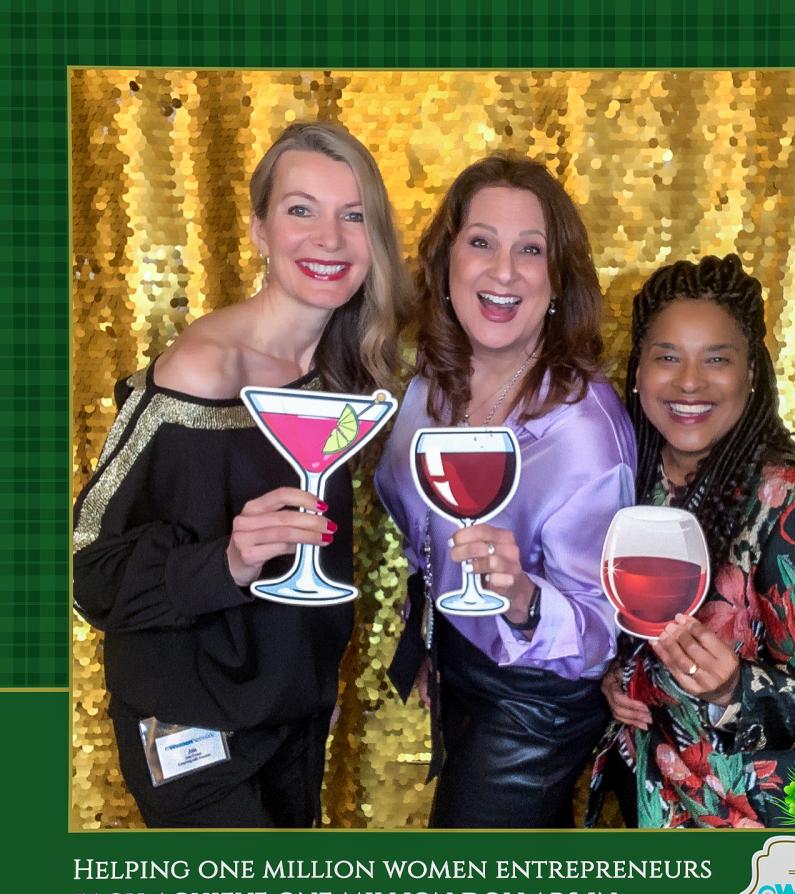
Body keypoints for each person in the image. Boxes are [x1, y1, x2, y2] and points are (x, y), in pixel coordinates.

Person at [72, 121, 409, 828]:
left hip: (291, 719)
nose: (329, 238)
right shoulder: (202, 370)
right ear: (259, 230)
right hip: (188, 724)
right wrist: (225, 561)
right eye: (301, 210)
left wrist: (311, 679)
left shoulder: (338, 372)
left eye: (353, 216)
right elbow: (87, 567)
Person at [376, 155, 636, 828]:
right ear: (447, 263)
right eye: (481, 242)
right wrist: (435, 632)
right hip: (461, 665)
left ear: (557, 281)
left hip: (535, 701)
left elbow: (599, 635)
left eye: (531, 250)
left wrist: (521, 597)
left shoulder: (584, 431)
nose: (503, 271)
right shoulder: (431, 383)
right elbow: (420, 529)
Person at [589, 253, 795, 829]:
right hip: (656, 805)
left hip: (770, 826)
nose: (689, 381)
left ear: (751, 374)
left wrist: (735, 688)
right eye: (667, 357)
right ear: (638, 370)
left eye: (716, 359)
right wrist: (617, 680)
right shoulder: (630, 480)